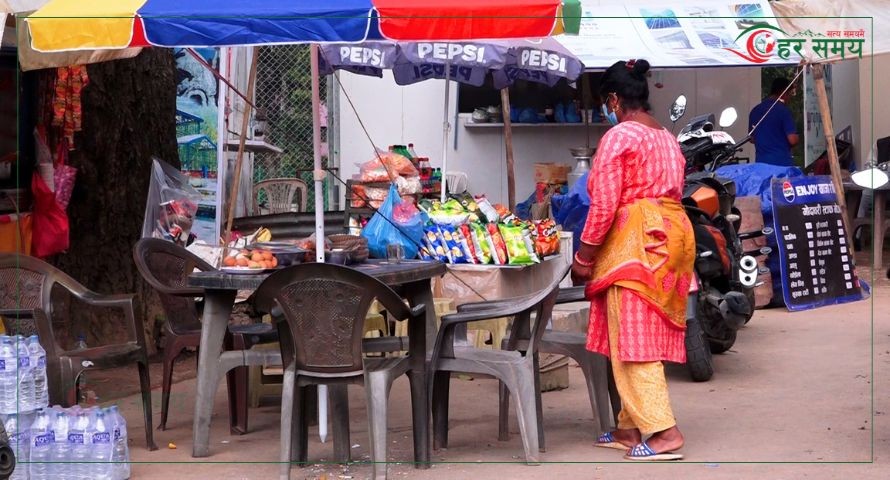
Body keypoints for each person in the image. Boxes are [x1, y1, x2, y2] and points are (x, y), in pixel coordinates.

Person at [571, 58, 696, 461]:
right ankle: (630, 427)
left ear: (612, 99)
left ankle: (663, 433)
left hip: (638, 244)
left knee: (633, 340)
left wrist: (584, 256)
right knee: (635, 331)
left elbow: (605, 203)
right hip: (673, 236)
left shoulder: (620, 137)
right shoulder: (665, 135)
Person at [748, 77, 799, 166]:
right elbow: (792, 139)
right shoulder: (783, 111)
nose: (790, 98)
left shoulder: (755, 110)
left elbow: (752, 139)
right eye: (790, 94)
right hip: (781, 164)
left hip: (761, 164)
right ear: (784, 92)